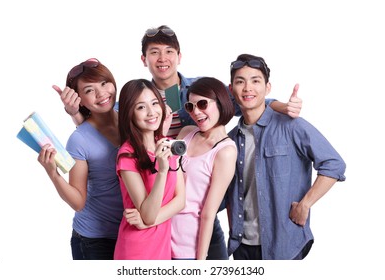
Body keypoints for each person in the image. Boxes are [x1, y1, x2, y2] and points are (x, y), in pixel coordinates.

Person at [58, 25, 302, 260]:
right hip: (159, 211)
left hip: (194, 209)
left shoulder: (199, 90)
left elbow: (244, 99)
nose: (162, 58)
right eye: (154, 52)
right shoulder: (136, 99)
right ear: (144, 60)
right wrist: (77, 114)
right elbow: (105, 129)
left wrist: (279, 105)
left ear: (179, 56)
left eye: (169, 52)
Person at [226, 54, 347, 260]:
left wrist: (305, 204)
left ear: (268, 87)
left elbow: (334, 164)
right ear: (231, 89)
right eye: (240, 81)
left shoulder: (291, 126)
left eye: (255, 81)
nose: (248, 88)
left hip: (284, 243)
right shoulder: (230, 141)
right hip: (242, 245)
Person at [37, 58, 124, 260]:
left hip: (131, 231)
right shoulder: (79, 140)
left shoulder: (128, 112)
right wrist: (53, 174)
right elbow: (78, 202)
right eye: (89, 90)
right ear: (79, 100)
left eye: (104, 83)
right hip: (96, 239)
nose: (101, 93)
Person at [114, 79, 186, 260]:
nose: (151, 112)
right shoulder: (127, 155)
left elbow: (181, 201)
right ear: (129, 113)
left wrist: (147, 223)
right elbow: (148, 214)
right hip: (137, 249)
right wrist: (162, 172)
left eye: (155, 103)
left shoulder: (166, 144)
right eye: (141, 107)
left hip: (161, 247)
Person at [170, 77, 237, 260]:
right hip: (163, 233)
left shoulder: (225, 152)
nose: (196, 112)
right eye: (190, 107)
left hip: (189, 245)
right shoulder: (186, 133)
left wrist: (200, 260)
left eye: (202, 104)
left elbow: (208, 212)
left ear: (221, 103)